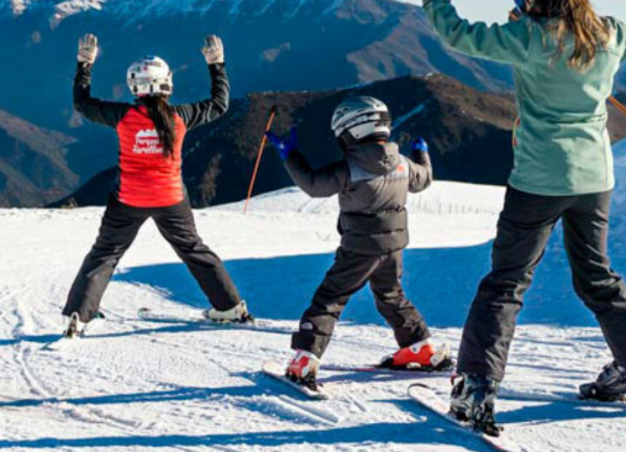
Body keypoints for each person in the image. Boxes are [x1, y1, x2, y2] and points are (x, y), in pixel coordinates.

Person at [418, 0, 626, 434]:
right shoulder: (611, 34)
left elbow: (455, 33)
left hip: (538, 180)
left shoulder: (527, 39)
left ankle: (476, 388)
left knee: (505, 283)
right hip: (595, 179)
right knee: (598, 277)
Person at [61, 33, 251, 338]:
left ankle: (79, 315)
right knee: (192, 249)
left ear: (134, 85)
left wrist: (85, 65)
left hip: (128, 198)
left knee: (105, 253)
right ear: (168, 83)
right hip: (171, 198)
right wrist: (217, 65)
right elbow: (219, 104)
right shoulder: (181, 117)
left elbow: (82, 104)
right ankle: (228, 307)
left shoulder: (122, 116)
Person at [264, 96, 451, 393]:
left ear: (352, 131)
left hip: (360, 248)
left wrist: (289, 154)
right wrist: (422, 154)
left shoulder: (350, 167)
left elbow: (314, 185)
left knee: (329, 299)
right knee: (391, 294)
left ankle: (305, 358)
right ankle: (420, 347)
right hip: (394, 245)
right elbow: (423, 179)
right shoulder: (402, 163)